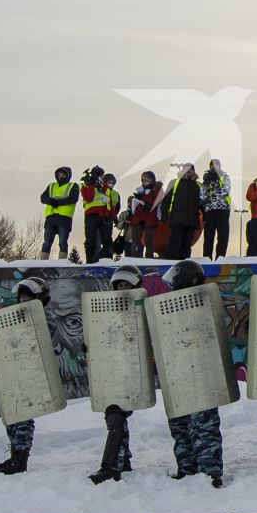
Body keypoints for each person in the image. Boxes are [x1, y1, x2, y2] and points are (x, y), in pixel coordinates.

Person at [161, 259, 227, 487]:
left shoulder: (203, 303)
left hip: (203, 376)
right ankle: (186, 468)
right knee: (180, 425)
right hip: (179, 374)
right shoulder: (170, 305)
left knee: (204, 426)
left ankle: (211, 471)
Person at [0, 276, 60, 475]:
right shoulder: (15, 315)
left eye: (28, 297)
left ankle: (21, 458)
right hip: (13, 369)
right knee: (11, 415)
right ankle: (14, 453)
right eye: (22, 297)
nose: (23, 300)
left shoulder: (44, 316)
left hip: (31, 371)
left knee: (23, 416)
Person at [87, 264, 145, 485]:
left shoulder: (143, 307)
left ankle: (110, 466)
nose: (122, 289)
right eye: (119, 285)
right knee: (115, 416)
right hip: (113, 370)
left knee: (115, 417)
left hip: (133, 371)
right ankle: (123, 461)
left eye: (127, 285)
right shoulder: (106, 310)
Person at [162, 164, 202, 260]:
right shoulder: (175, 183)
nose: (188, 171)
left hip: (191, 220)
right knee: (174, 242)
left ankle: (184, 263)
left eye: (191, 169)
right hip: (177, 219)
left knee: (187, 245)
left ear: (194, 171)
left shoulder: (198, 185)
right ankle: (171, 262)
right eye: (186, 169)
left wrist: (205, 219)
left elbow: (202, 203)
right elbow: (166, 200)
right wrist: (164, 214)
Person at [39, 166, 79, 259]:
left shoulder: (72, 186)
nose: (61, 176)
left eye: (63, 174)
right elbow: (43, 197)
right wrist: (50, 201)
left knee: (62, 242)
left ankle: (62, 262)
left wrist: (56, 202)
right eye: (59, 174)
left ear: (68, 176)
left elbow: (73, 199)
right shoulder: (51, 186)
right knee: (47, 242)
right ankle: (42, 262)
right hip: (51, 218)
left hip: (64, 218)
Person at [82, 171, 120, 262]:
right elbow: (88, 198)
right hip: (91, 216)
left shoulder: (106, 189)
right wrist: (90, 184)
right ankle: (90, 261)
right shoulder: (86, 185)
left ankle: (108, 260)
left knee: (107, 240)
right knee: (90, 240)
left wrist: (114, 216)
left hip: (105, 216)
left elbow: (109, 204)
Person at [126, 171, 164, 258]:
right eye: (143, 180)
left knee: (148, 239)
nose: (144, 181)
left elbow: (154, 203)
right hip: (138, 217)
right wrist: (130, 212)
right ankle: (135, 257)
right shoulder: (140, 190)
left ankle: (149, 257)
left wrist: (142, 199)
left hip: (150, 217)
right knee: (136, 239)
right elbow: (135, 204)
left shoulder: (157, 190)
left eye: (146, 179)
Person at [200, 160, 232, 258]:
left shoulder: (225, 176)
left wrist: (212, 193)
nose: (214, 167)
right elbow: (202, 194)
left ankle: (220, 257)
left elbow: (226, 190)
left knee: (223, 236)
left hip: (223, 209)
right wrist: (207, 183)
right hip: (210, 210)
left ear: (220, 166)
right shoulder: (206, 179)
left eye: (216, 165)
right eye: (212, 166)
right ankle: (207, 258)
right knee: (208, 236)